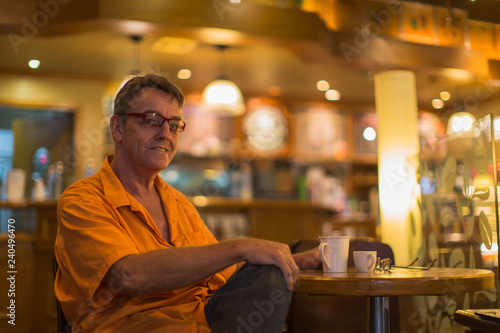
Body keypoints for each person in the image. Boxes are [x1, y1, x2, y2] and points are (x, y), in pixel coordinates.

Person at [54, 73, 321, 333]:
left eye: (173, 125)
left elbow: (228, 269)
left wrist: (296, 260)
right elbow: (127, 275)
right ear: (117, 128)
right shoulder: (82, 200)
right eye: (151, 120)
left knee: (271, 276)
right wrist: (241, 246)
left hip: (204, 322)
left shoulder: (178, 202)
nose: (164, 134)